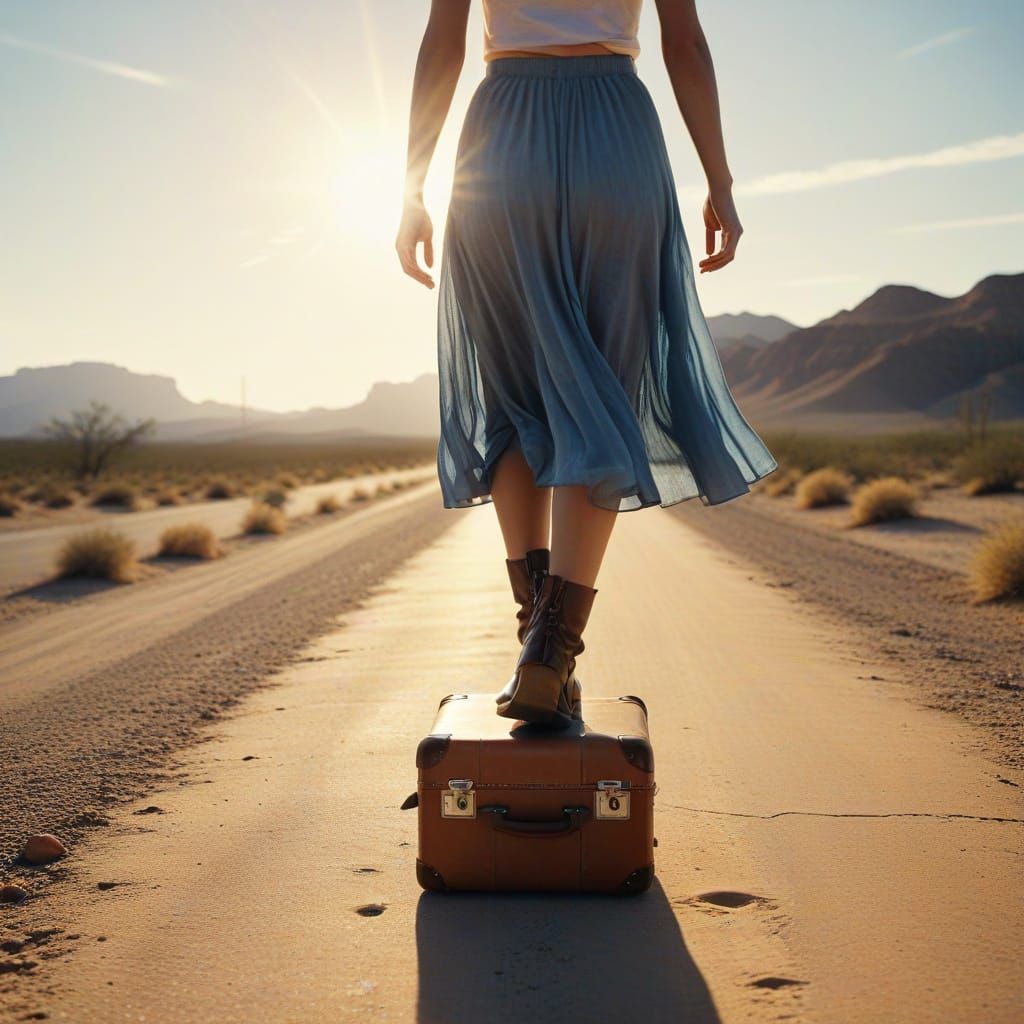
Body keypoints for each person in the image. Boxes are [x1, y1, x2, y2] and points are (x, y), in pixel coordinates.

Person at [395, 0, 778, 729]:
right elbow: (685, 43)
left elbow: (443, 41)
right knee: (598, 391)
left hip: (501, 139)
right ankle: (551, 649)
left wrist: (411, 189)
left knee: (514, 394)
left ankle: (535, 633)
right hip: (618, 138)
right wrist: (719, 181)